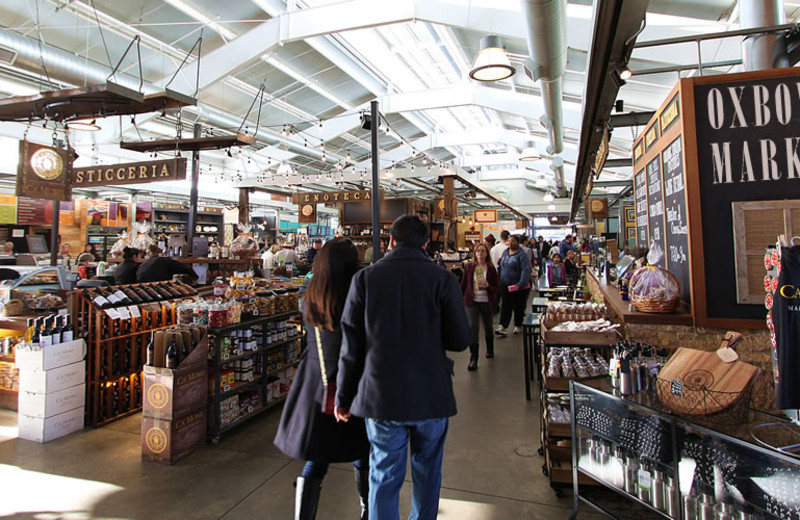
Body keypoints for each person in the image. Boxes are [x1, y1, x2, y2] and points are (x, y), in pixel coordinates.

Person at [335, 215, 470, 520]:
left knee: (383, 475)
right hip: (430, 394)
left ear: (390, 241)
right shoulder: (442, 279)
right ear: (426, 243)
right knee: (427, 473)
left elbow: (350, 347)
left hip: (382, 396)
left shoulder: (365, 279)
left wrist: (343, 398)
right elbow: (460, 340)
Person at [274, 239, 370, 520]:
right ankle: (367, 509)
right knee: (362, 450)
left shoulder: (310, 295)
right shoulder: (358, 294)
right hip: (353, 382)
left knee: (318, 458)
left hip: (317, 383)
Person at [460, 242, 499, 371]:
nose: (480, 254)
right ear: (474, 253)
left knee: (488, 326)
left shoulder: (491, 269)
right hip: (472, 301)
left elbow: (496, 287)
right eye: (478, 251)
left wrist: (489, 286)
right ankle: (473, 358)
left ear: (487, 253)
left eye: (482, 251)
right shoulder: (469, 267)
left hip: (486, 301)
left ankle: (490, 348)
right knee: (473, 327)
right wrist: (459, 298)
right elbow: (464, 284)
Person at [496, 235, 532, 336]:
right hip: (505, 284)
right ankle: (502, 326)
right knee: (505, 305)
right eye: (509, 240)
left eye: (513, 241)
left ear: (517, 242)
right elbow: (501, 266)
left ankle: (518, 325)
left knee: (518, 306)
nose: (510, 242)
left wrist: (521, 284)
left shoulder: (522, 255)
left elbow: (526, 270)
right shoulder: (505, 252)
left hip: (518, 286)